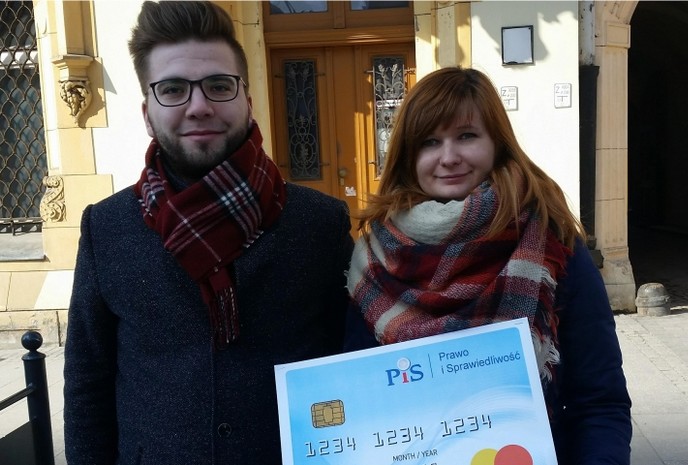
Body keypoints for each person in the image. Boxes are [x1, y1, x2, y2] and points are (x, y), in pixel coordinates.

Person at [63, 2, 353, 464]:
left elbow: (352, 358)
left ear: (248, 101)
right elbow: (87, 382)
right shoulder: (107, 227)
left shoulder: (320, 222)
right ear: (147, 113)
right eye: (173, 89)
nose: (199, 107)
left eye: (219, 86)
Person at [345, 67, 632, 464]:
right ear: (408, 156)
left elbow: (600, 402)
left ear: (497, 142)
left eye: (466, 136)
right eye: (429, 142)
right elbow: (359, 405)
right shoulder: (374, 261)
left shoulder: (552, 244)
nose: (449, 157)